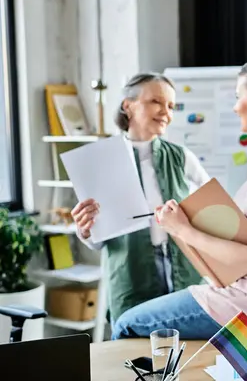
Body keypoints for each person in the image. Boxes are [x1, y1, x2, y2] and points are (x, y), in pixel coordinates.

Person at [111, 56, 247, 340]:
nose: (234, 106)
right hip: (233, 291)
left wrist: (182, 229)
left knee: (124, 326)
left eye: (237, 96)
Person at [71, 73, 210, 323]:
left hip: (183, 269)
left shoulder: (180, 156)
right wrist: (85, 230)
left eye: (170, 105)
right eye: (156, 102)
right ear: (128, 105)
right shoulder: (101, 161)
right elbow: (97, 242)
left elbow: (215, 205)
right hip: (130, 274)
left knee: (185, 345)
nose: (165, 112)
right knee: (133, 352)